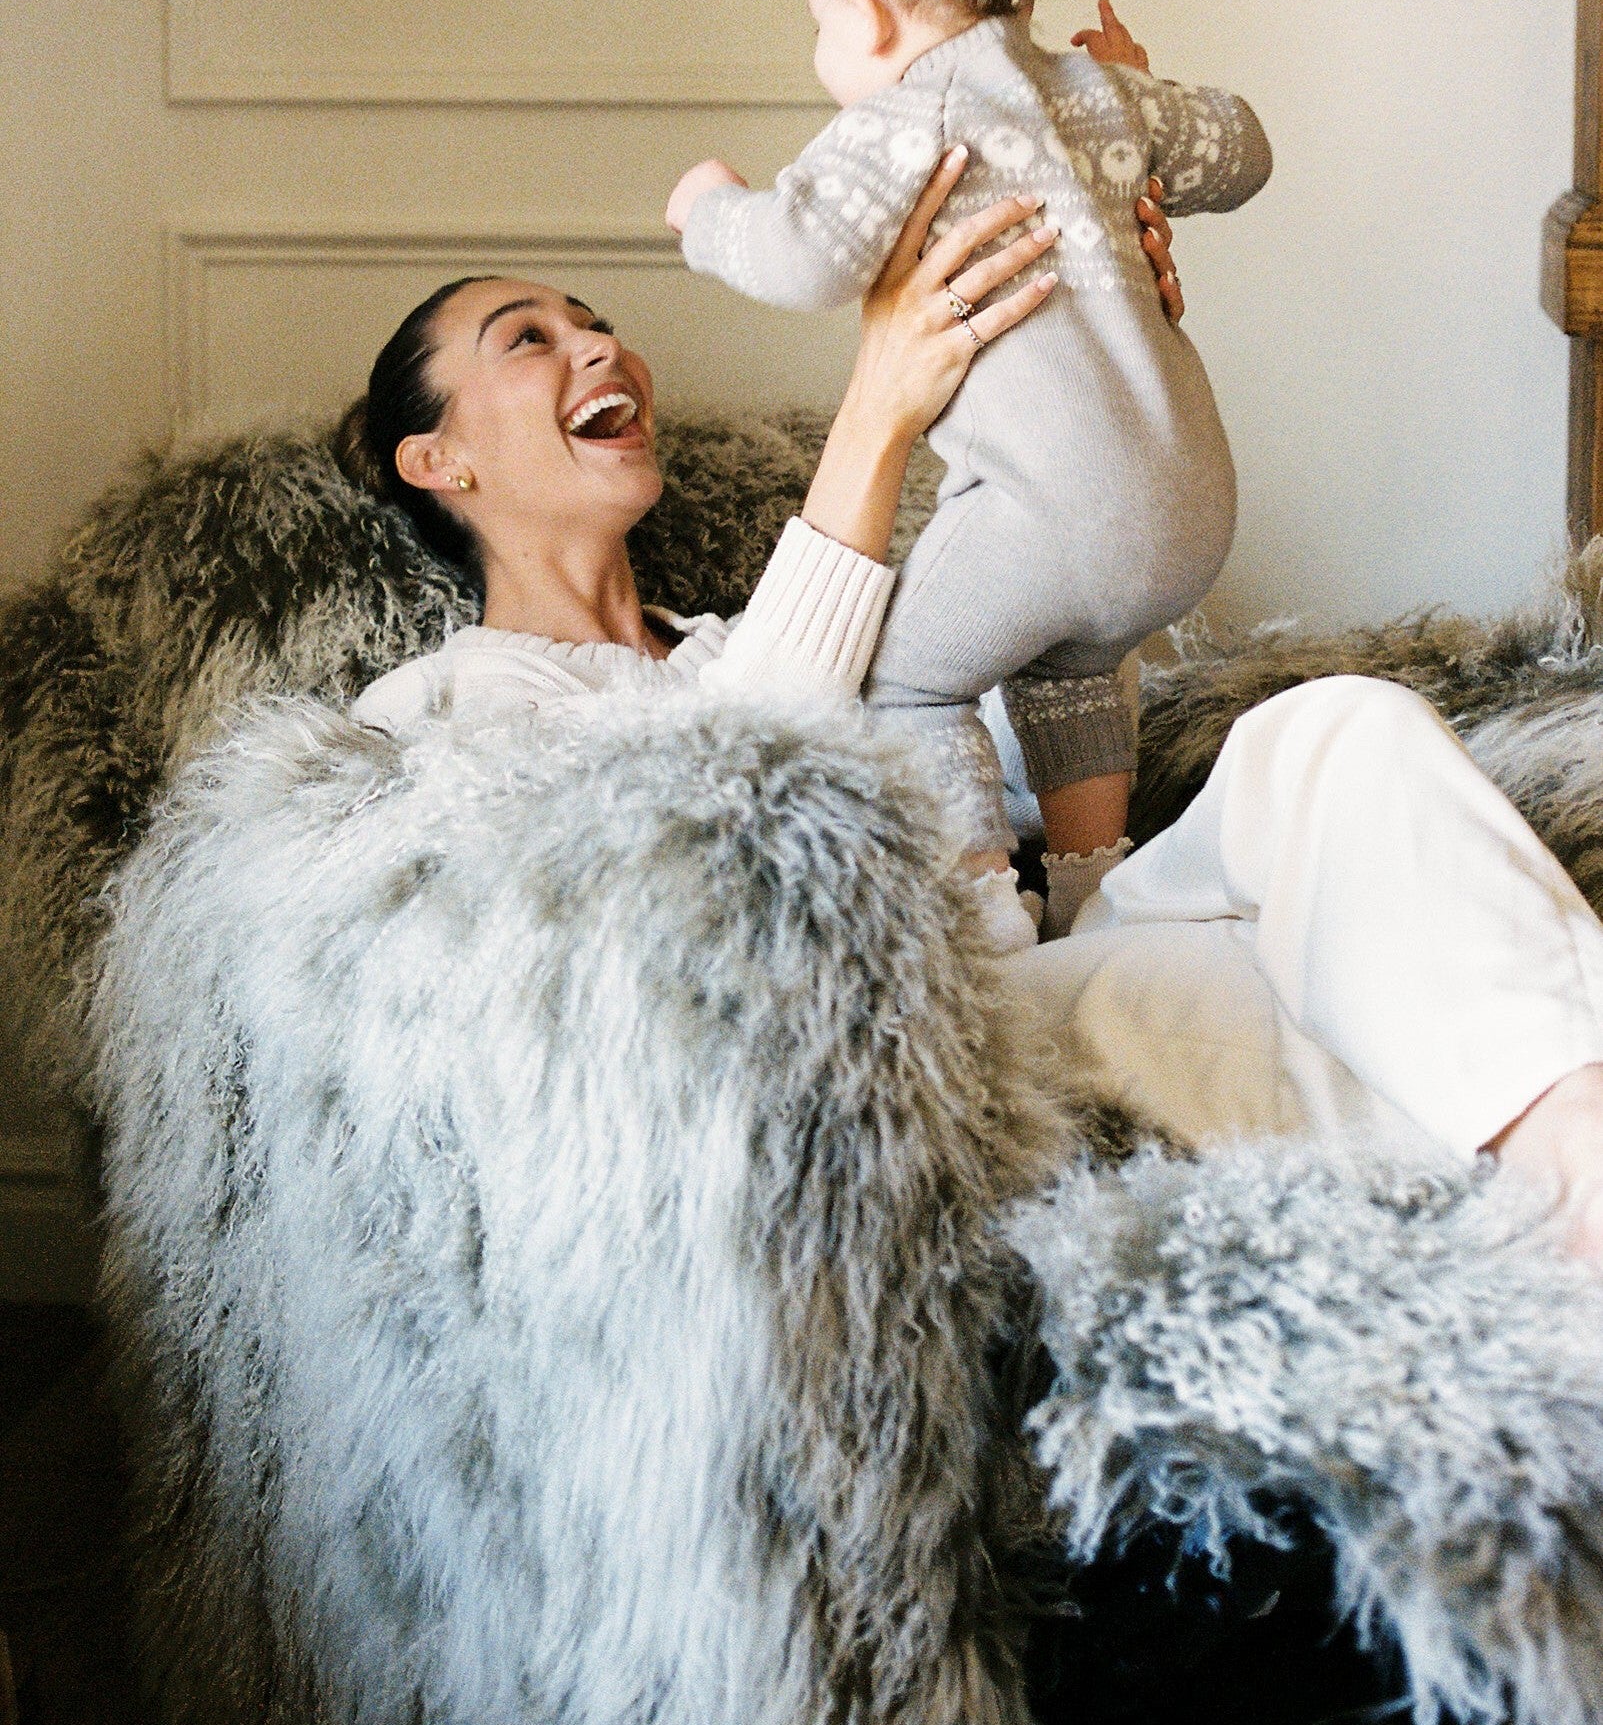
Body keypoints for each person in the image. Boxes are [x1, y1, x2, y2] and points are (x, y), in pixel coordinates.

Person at [339, 151, 1603, 1262]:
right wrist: (876, 413)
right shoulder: (442, 707)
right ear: (439, 459)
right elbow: (706, 824)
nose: (599, 348)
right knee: (1317, 977)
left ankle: (1567, 1152)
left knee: (1334, 732)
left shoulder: (736, 637)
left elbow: (1018, 710)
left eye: (594, 322)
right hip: (928, 1059)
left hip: (1052, 950)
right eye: (527, 339)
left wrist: (1100, 347)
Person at [664, 0, 1271, 938]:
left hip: (1052, 512)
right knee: (1067, 667)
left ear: (867, 15)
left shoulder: (910, 112)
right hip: (1193, 503)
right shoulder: (1099, 94)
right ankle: (1097, 891)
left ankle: (984, 902)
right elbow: (1244, 151)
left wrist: (707, 210)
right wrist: (1140, 93)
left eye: (818, 21)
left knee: (904, 678)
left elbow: (801, 256)